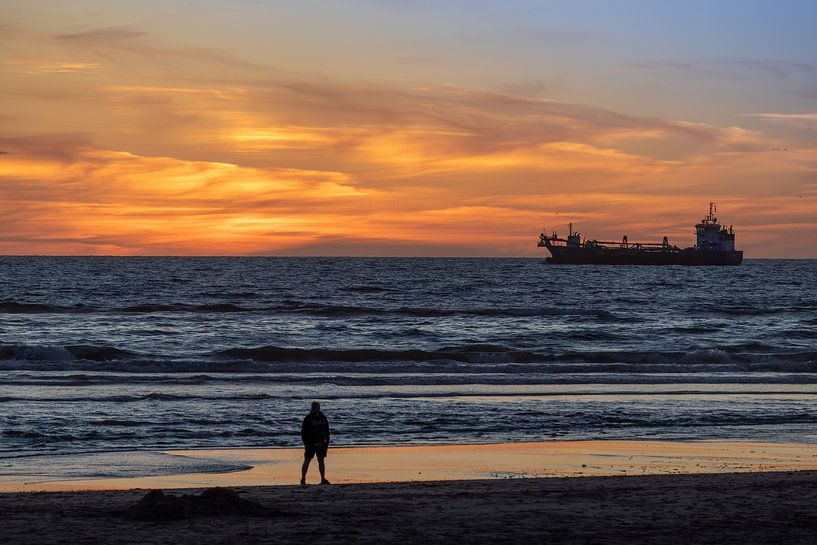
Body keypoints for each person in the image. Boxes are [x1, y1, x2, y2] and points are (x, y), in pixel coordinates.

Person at [300, 401, 330, 486]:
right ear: (311, 408)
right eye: (313, 407)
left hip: (321, 442)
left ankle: (323, 479)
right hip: (310, 443)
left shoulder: (323, 417)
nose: (315, 409)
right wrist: (306, 442)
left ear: (319, 408)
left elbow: (327, 430)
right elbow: (303, 432)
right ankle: (303, 479)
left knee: (321, 460)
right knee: (307, 460)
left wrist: (327, 441)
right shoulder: (308, 418)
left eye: (316, 407)